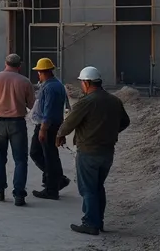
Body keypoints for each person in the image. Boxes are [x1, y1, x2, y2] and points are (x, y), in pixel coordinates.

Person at [57, 66, 131, 236]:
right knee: (98, 187)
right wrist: (110, 132)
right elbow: (125, 122)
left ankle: (90, 223)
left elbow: (70, 122)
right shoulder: (114, 100)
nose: (82, 85)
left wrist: (60, 135)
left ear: (87, 83)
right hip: (107, 152)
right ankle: (99, 221)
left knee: (88, 189)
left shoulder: (87, 101)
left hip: (89, 151)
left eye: (82, 82)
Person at [0, 53, 35, 206]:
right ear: (20, 66)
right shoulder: (25, 81)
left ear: (5, 63)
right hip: (17, 123)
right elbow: (31, 104)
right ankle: (19, 195)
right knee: (20, 160)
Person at [29, 58, 70, 200]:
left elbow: (49, 110)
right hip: (53, 124)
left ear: (43, 72)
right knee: (45, 154)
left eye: (39, 72)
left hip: (47, 126)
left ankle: (52, 188)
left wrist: (43, 129)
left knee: (47, 155)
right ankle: (57, 179)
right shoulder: (57, 84)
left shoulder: (50, 87)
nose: (38, 75)